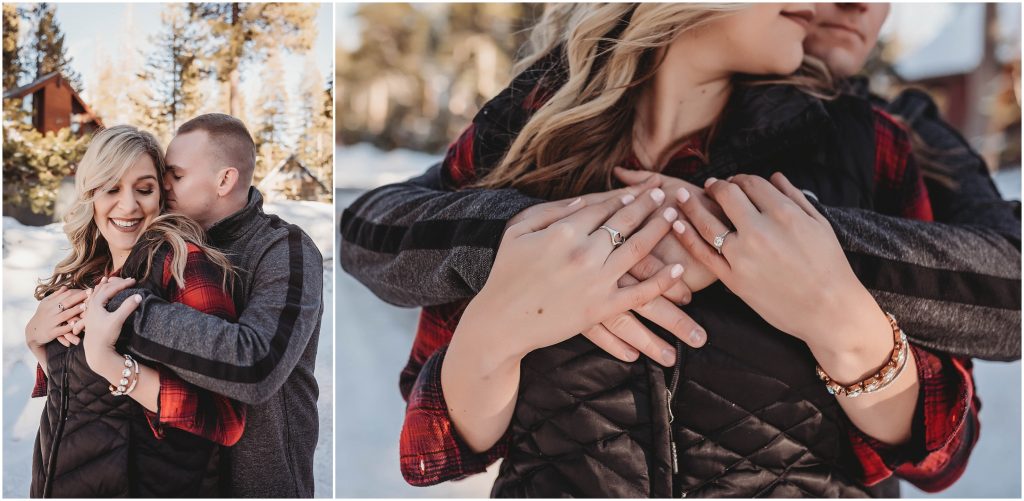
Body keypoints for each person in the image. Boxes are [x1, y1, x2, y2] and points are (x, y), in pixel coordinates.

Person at [340, 4, 988, 496]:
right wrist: (501, 325)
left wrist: (840, 320)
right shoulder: (525, 137)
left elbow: (940, 450)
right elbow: (439, 443)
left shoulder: (864, 140)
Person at [81, 114, 324, 497]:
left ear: (224, 180)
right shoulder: (160, 247)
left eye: (175, 175)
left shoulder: (283, 249)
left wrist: (125, 312)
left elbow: (257, 364)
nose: (164, 184)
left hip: (256, 485)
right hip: (180, 479)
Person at [26, 125, 245, 497]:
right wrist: (35, 339)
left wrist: (110, 363)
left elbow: (225, 418)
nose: (128, 205)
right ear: (91, 195)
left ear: (161, 196)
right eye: (111, 189)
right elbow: (75, 394)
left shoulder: (183, 267)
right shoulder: (85, 274)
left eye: (144, 189)